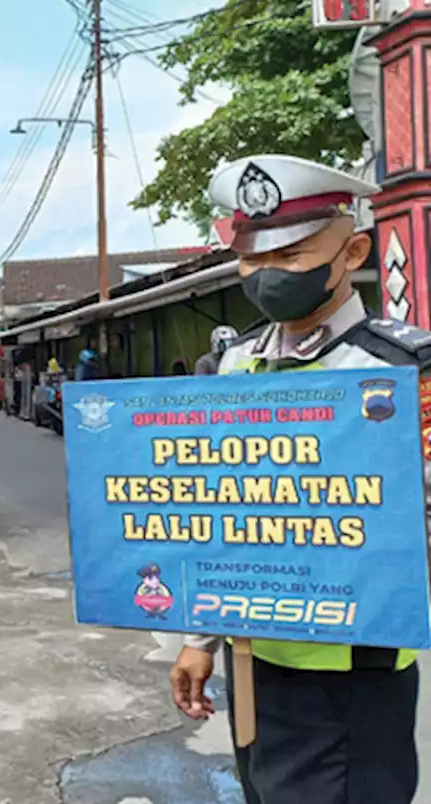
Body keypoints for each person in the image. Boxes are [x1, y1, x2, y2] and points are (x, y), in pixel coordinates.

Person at [169, 154, 429, 804]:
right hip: (253, 657)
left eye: (290, 256)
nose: (267, 276)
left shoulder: (401, 371)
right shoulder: (230, 368)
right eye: (253, 260)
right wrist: (200, 639)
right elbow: (215, 510)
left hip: (353, 667)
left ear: (352, 251)